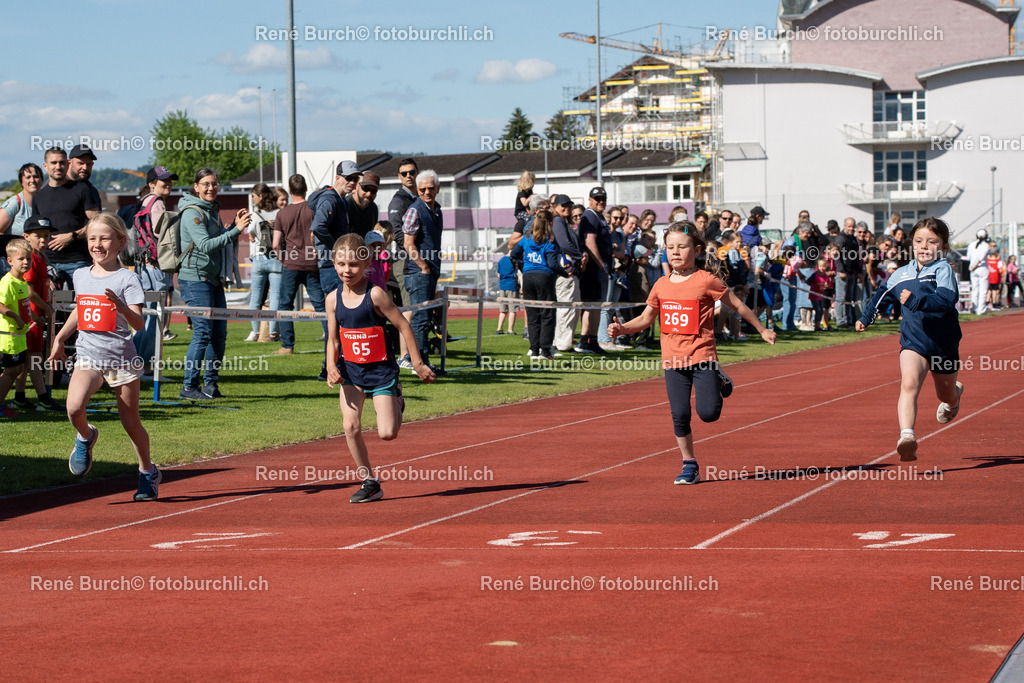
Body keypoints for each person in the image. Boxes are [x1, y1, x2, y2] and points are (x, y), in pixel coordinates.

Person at [608, 222, 776, 485]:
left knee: (708, 413)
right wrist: (622, 329)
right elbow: (645, 318)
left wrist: (762, 329)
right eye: (670, 247)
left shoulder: (706, 280)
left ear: (696, 250)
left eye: (682, 247)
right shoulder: (661, 284)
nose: (675, 252)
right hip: (673, 360)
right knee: (680, 414)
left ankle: (719, 379)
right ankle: (689, 464)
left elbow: (738, 305)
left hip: (703, 358)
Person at [45, 214, 162, 500]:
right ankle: (85, 436)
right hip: (88, 355)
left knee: (130, 423)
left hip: (122, 359)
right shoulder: (81, 275)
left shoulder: (128, 278)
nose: (97, 244)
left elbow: (138, 324)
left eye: (105, 238)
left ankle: (148, 472)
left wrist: (122, 307)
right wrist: (60, 338)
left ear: (121, 242)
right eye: (92, 239)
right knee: (73, 407)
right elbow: (80, 310)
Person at [325, 233, 435, 503]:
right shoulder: (332, 299)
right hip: (351, 372)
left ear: (365, 265)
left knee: (387, 433)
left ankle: (396, 397)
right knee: (350, 426)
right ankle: (369, 481)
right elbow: (333, 339)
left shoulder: (375, 294)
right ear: (334, 263)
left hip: (381, 372)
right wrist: (330, 365)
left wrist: (418, 363)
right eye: (341, 264)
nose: (346, 271)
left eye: (353, 265)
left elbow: (403, 325)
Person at [856, 217, 963, 462]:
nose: (924, 246)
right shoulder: (901, 273)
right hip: (914, 342)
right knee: (909, 383)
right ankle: (907, 437)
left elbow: (946, 301)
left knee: (944, 395)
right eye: (918, 241)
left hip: (944, 344)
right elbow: (881, 296)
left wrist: (916, 301)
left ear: (943, 247)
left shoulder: (943, 269)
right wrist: (866, 316)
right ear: (911, 244)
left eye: (932, 241)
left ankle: (954, 396)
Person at [178, 168, 252, 400]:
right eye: (206, 184)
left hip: (213, 279)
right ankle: (189, 387)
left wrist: (233, 227)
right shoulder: (193, 213)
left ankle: (210, 384)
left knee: (219, 333)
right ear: (196, 187)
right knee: (202, 332)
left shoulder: (212, 211)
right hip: (195, 279)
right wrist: (237, 231)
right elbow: (206, 245)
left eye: (215, 184)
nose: (211, 188)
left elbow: (219, 242)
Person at [273, 174, 325, 356]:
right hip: (312, 263)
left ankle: (287, 346)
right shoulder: (314, 210)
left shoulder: (282, 214)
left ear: (289, 190)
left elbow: (275, 244)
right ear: (306, 189)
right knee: (321, 306)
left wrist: (282, 259)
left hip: (291, 264)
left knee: (285, 306)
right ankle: (331, 340)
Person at [33, 147, 99, 289]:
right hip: (47, 262)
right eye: (54, 163)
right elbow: (35, 232)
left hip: (76, 261)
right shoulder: (38, 196)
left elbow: (98, 223)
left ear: (68, 164)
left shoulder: (81, 189)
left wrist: (72, 236)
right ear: (45, 166)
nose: (58, 167)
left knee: (79, 305)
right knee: (47, 307)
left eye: (62, 163)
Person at [0, 238, 52, 418]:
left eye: (28, 259)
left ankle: (7, 403)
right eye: (21, 259)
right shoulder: (8, 282)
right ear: (9, 261)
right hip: (9, 335)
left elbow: (22, 306)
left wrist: (34, 318)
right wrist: (14, 317)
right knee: (11, 371)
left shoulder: (21, 282)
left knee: (18, 369)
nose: (25, 262)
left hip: (20, 335)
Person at [12, 217, 60, 411]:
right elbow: (29, 291)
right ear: (26, 237)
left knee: (26, 360)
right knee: (34, 358)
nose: (43, 240)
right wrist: (46, 308)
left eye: (46, 236)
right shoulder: (30, 258)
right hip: (30, 317)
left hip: (35, 316)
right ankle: (43, 398)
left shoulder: (40, 257)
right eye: (38, 236)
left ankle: (20, 397)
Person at [401, 169, 445, 373]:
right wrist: (424, 266)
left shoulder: (437, 211)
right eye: (422, 189)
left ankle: (419, 359)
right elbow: (408, 244)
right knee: (419, 319)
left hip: (431, 271)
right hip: (419, 273)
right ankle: (419, 362)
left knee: (425, 318)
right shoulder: (414, 210)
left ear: (437, 188)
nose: (427, 192)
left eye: (430, 188)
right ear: (417, 190)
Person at [510, 209, 569, 359]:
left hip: (528, 278)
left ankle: (534, 350)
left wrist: (524, 267)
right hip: (544, 278)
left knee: (532, 315)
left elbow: (514, 254)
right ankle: (546, 350)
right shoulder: (550, 240)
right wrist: (565, 273)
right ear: (550, 223)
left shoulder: (527, 237)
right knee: (547, 315)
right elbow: (551, 263)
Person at [388, 158, 418, 365]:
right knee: (407, 309)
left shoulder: (419, 198)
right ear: (399, 177)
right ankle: (404, 356)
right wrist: (414, 252)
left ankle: (416, 352)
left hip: (419, 259)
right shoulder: (398, 201)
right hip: (405, 261)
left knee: (417, 308)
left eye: (412, 172)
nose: (409, 176)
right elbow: (398, 233)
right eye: (404, 173)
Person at [576, 187, 613, 355]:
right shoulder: (590, 216)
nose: (601, 201)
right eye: (597, 198)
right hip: (593, 269)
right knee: (593, 305)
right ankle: (587, 341)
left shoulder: (598, 217)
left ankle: (590, 341)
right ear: (590, 199)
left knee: (595, 305)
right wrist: (601, 265)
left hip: (598, 268)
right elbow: (590, 242)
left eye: (603, 198)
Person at [244, 183, 282, 342]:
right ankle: (273, 334)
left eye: (253, 195)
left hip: (259, 258)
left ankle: (256, 332)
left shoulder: (255, 215)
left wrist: (252, 236)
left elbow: (250, 233)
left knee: (255, 299)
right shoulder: (280, 213)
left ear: (260, 196)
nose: (252, 199)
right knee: (274, 298)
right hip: (276, 258)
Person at [550, 194, 584, 352]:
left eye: (569, 205)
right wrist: (580, 256)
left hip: (570, 271)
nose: (567, 208)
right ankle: (562, 344)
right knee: (567, 308)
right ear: (555, 206)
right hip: (566, 272)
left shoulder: (563, 222)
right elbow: (564, 244)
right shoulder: (557, 221)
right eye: (563, 205)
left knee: (570, 308)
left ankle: (562, 342)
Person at [834, 217, 864, 328]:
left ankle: (848, 320)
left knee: (849, 298)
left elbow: (854, 257)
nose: (851, 228)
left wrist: (858, 271)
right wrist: (841, 270)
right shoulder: (841, 239)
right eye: (849, 226)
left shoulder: (852, 239)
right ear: (845, 226)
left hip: (851, 272)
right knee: (841, 297)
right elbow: (836, 255)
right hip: (843, 272)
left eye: (853, 226)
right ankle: (841, 321)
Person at [68, 144, 102, 211]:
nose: (85, 168)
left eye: (88, 164)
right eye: (80, 163)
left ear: (92, 164)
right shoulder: (56, 188)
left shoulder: (92, 191)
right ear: (69, 163)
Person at [346, 172, 380, 238]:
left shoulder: (373, 208)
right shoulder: (345, 205)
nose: (369, 194)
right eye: (365, 188)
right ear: (357, 186)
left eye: (373, 191)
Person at [966, 229, 991, 315]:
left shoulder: (971, 245)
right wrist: (974, 266)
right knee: (983, 290)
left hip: (973, 270)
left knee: (974, 289)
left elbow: (968, 257)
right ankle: (981, 309)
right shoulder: (985, 245)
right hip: (981, 268)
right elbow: (981, 258)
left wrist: (972, 267)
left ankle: (975, 307)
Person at [495, 254, 519, 335]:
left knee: (503, 310)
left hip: (502, 286)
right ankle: (510, 330)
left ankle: (499, 329)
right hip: (511, 286)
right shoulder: (515, 260)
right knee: (512, 310)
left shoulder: (501, 260)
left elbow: (498, 274)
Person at [985, 244, 1005, 311]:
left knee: (989, 290)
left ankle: (987, 302)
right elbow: (1000, 270)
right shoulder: (998, 261)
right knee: (995, 291)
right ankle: (994, 303)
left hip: (989, 278)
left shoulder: (988, 261)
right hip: (995, 278)